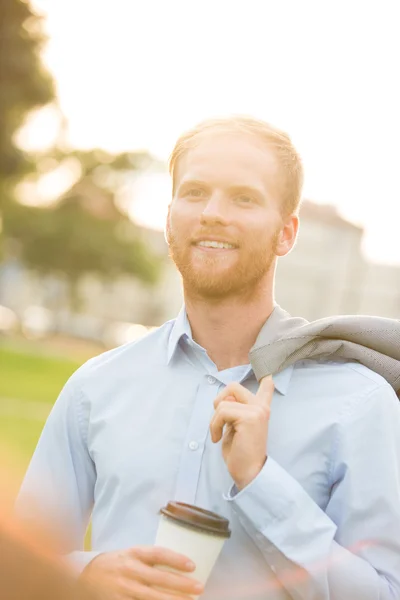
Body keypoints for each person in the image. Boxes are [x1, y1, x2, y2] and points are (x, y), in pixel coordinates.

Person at [16, 116, 400, 600]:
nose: (213, 213)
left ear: (287, 233)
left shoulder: (359, 402)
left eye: (244, 198)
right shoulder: (95, 387)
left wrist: (261, 482)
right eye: (195, 192)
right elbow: (20, 568)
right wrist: (85, 576)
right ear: (170, 215)